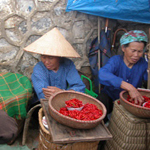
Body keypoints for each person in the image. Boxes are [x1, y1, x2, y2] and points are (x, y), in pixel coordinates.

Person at [24, 27, 85, 104]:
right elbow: (43, 95)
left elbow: (79, 87)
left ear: (59, 57)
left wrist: (62, 93)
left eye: (50, 58)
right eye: (43, 57)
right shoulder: (39, 68)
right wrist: (66, 94)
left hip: (64, 100)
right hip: (43, 104)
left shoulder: (68, 64)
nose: (46, 62)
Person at [98, 30, 148, 120]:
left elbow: (148, 79)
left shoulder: (144, 64)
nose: (136, 55)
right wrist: (129, 87)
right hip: (111, 98)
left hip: (130, 101)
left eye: (140, 51)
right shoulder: (116, 61)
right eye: (133, 51)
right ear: (123, 48)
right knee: (102, 100)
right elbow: (102, 74)